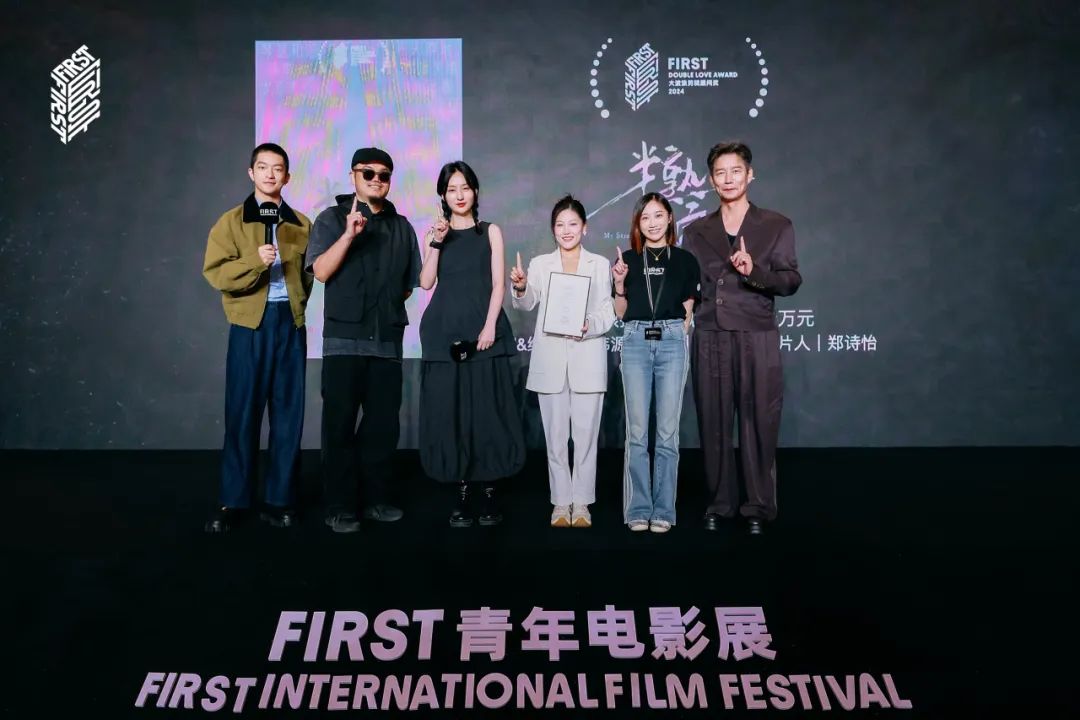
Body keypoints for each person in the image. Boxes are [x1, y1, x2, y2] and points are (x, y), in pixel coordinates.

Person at [681, 141, 802, 536]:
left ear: (750, 175)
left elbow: (790, 280)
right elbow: (690, 286)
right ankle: (720, 502)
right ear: (711, 180)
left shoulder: (776, 225)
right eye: (720, 172)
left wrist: (755, 273)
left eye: (736, 171)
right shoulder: (695, 230)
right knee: (713, 421)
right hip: (711, 334)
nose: (728, 179)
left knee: (759, 421)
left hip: (756, 334)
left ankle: (758, 506)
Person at [307, 147, 421, 533]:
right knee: (338, 427)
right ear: (353, 175)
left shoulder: (402, 227)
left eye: (383, 175)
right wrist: (348, 236)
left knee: (382, 429)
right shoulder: (330, 219)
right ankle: (339, 507)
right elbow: (321, 271)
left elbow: (408, 285)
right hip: (344, 342)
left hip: (387, 343)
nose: (376, 180)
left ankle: (377, 500)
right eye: (368, 173)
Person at [202, 143, 312, 533]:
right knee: (242, 413)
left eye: (277, 168)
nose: (269, 174)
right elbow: (216, 273)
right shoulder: (231, 222)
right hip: (249, 326)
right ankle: (234, 501)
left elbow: (309, 276)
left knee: (288, 416)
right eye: (262, 167)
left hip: (289, 326)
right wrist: (254, 262)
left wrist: (296, 308)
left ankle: (280, 500)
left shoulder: (301, 223)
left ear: (287, 176)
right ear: (251, 173)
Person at [418, 161, 525, 527]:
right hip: (443, 333)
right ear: (443, 195)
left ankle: (489, 489)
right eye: (451, 189)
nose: (459, 195)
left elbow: (498, 284)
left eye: (464, 187)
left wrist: (489, 326)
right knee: (453, 414)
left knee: (487, 412)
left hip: (484, 333)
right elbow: (426, 282)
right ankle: (461, 491)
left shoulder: (490, 231)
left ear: (475, 191)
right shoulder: (436, 233)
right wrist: (436, 240)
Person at [510, 195, 616, 528]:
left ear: (585, 228)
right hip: (551, 360)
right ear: (552, 229)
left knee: (585, 438)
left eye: (573, 224)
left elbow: (608, 310)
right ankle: (560, 502)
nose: (566, 230)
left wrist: (589, 324)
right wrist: (521, 287)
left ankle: (581, 502)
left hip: (588, 357)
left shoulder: (599, 264)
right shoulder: (541, 264)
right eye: (560, 225)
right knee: (555, 439)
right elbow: (527, 303)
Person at [611, 192, 700, 533]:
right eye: (645, 217)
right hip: (635, 340)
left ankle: (663, 509)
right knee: (636, 432)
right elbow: (620, 313)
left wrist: (676, 331)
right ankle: (638, 508)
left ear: (670, 218)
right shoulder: (627, 261)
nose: (652, 223)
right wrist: (619, 284)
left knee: (666, 433)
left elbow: (689, 309)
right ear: (638, 223)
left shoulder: (686, 260)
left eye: (658, 215)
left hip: (672, 342)